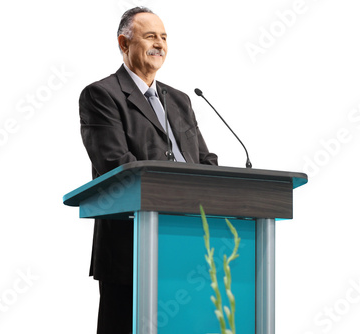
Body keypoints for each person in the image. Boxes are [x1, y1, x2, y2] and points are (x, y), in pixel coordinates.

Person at [79, 6, 218, 334]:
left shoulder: (181, 99)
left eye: (165, 37)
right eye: (150, 36)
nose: (160, 44)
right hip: (131, 246)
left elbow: (204, 160)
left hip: (189, 243)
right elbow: (115, 165)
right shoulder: (102, 95)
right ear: (123, 44)